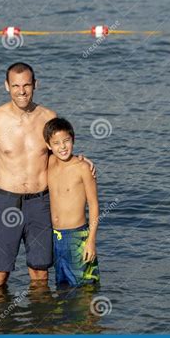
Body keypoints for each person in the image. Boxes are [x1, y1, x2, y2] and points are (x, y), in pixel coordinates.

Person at [0, 62, 94, 288]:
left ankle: (39, 322)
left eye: (27, 85)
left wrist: (81, 160)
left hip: (41, 202)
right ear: (6, 86)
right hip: (6, 200)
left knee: (40, 274)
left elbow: (60, 151)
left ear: (36, 84)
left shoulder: (48, 116)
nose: (22, 91)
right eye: (16, 85)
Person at [44, 118, 100, 286]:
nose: (62, 147)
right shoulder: (49, 162)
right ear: (48, 146)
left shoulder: (83, 168)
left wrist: (91, 241)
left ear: (73, 140)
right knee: (62, 287)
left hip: (78, 236)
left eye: (66, 141)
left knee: (84, 287)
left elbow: (94, 205)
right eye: (56, 143)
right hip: (56, 237)